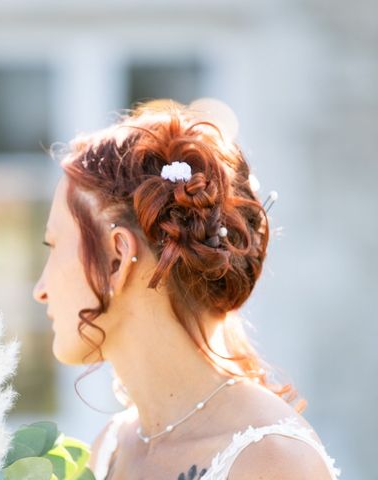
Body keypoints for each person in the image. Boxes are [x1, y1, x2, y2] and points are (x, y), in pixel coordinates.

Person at [32, 98, 341, 479]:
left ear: (117, 257)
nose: (40, 289)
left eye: (53, 245)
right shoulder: (112, 448)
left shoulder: (271, 461)